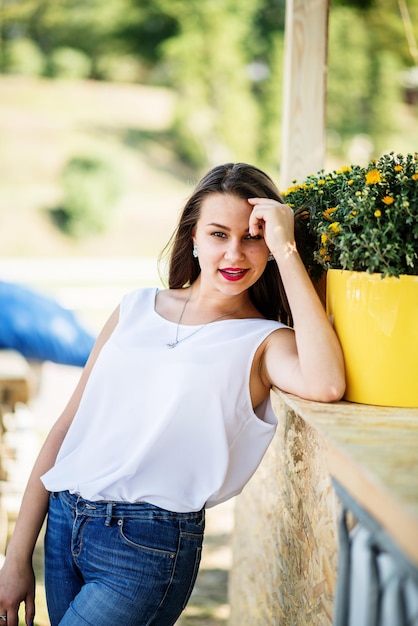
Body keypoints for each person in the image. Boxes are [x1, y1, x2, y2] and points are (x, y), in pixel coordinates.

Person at [0, 162, 345, 626]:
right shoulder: (135, 308)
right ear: (194, 237)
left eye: (252, 237)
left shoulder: (264, 342)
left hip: (146, 548)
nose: (235, 254)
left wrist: (285, 248)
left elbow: (326, 383)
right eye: (219, 234)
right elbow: (66, 428)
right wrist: (16, 557)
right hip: (65, 523)